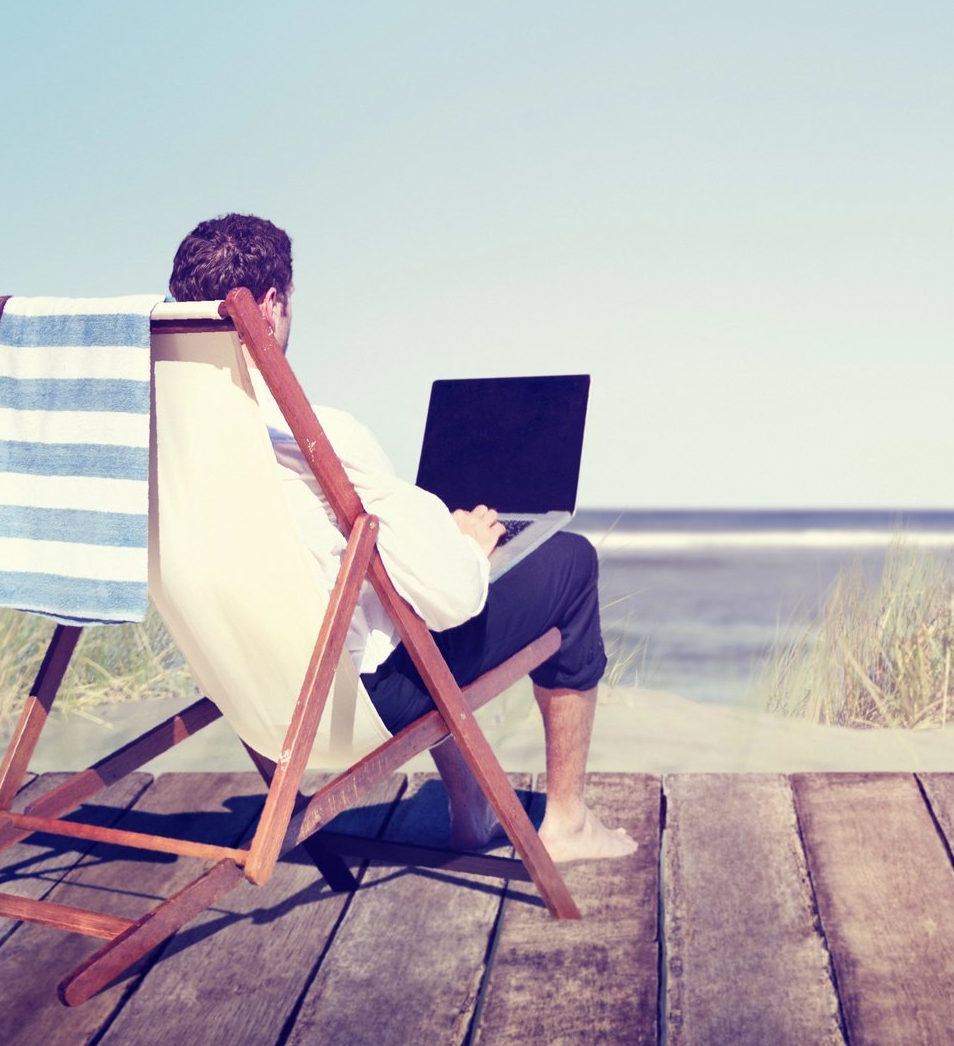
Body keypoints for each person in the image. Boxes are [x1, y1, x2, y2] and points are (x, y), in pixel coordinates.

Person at [167, 213, 636, 864]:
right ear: (270, 306)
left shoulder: (173, 456)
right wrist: (470, 544)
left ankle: (472, 807)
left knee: (398, 576)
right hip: (360, 706)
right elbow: (451, 599)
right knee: (568, 561)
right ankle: (567, 821)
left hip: (255, 694)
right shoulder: (315, 437)